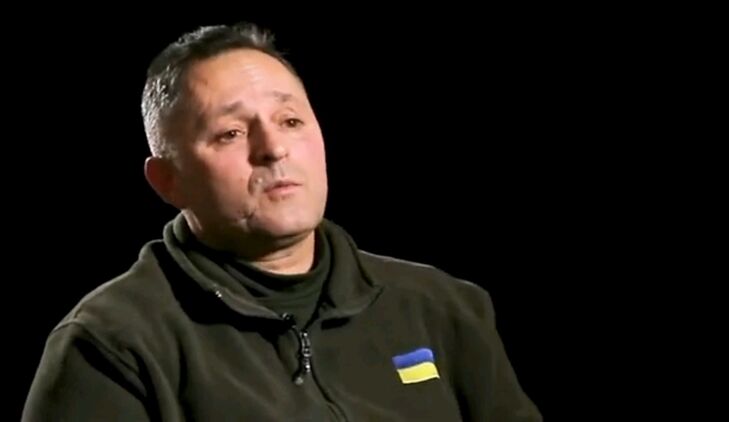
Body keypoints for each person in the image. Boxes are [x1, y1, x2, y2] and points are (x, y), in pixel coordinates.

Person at [22, 22, 542, 421]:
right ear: (168, 181)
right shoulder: (112, 345)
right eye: (230, 133)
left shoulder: (443, 308)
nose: (273, 148)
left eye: (290, 120)